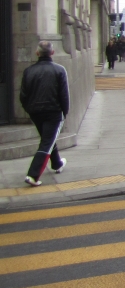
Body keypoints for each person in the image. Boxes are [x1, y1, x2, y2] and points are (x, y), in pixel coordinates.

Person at [21, 41, 70, 186]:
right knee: (47, 142)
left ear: (37, 53)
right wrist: (64, 112)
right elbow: (64, 95)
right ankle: (33, 175)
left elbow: (23, 95)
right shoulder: (60, 70)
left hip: (35, 112)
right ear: (52, 53)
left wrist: (29, 109)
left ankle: (57, 163)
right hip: (53, 112)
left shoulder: (28, 71)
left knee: (47, 138)